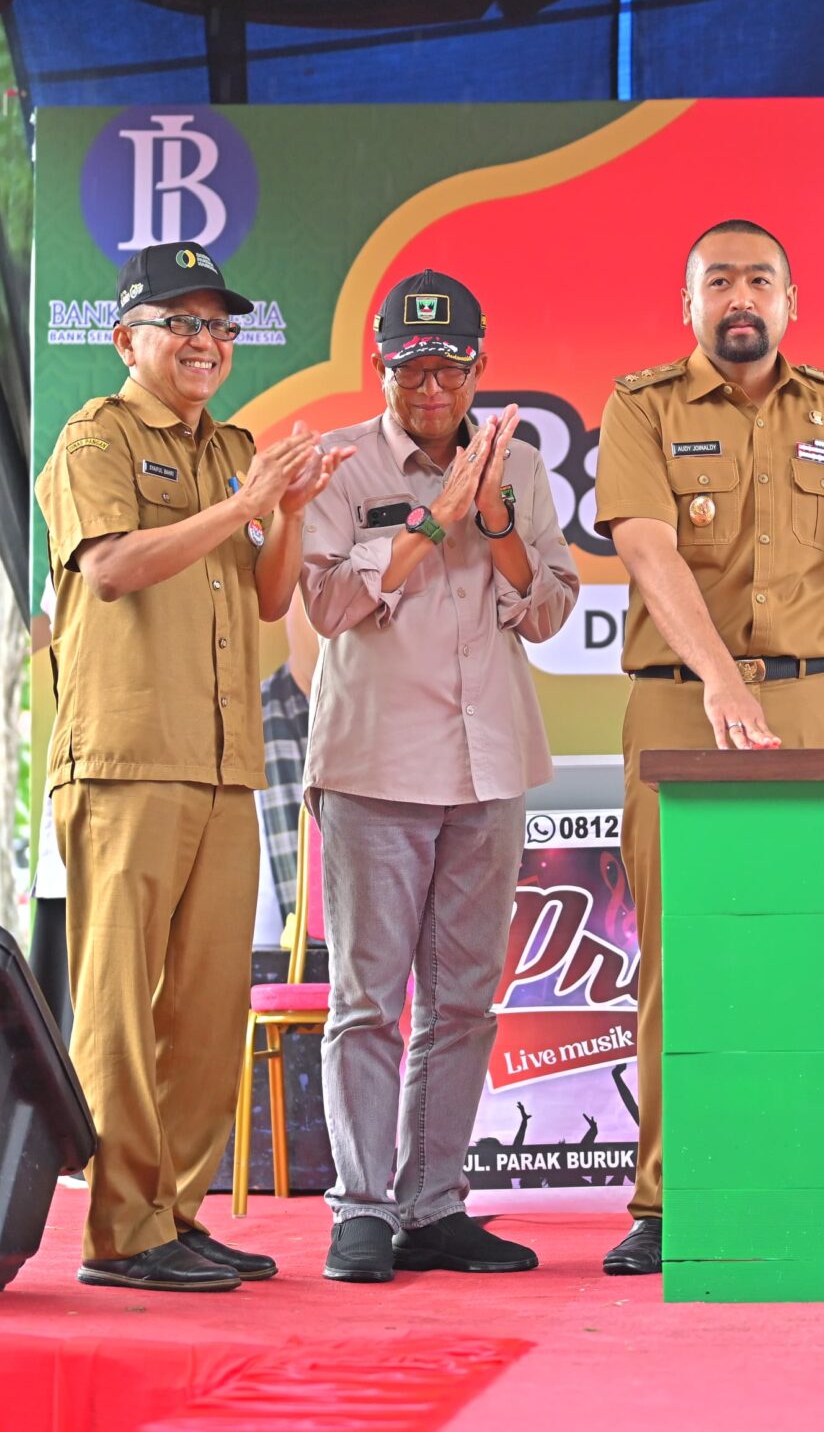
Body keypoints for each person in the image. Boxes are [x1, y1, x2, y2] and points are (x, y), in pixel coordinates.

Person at [35, 240, 348, 1291]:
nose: (205, 341)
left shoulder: (235, 448)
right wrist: (241, 502)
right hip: (125, 756)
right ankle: (119, 1230)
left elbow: (267, 597)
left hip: (222, 761)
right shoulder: (97, 436)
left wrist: (289, 507)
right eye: (182, 323)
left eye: (219, 325)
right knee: (120, 1003)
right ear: (128, 338)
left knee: (211, 1003)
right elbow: (115, 566)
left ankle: (175, 1212)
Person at [593, 219, 824, 1276]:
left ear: (790, 302)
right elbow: (643, 544)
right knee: (683, 960)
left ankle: (810, 1184)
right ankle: (670, 1200)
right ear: (688, 305)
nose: (740, 296)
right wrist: (723, 679)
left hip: (817, 710)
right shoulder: (640, 406)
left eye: (759, 279)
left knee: (811, 959)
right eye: (718, 280)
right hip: (683, 703)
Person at [291, 268, 581, 1283]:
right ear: (382, 369)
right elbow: (325, 607)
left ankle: (435, 1206)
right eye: (409, 368)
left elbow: (546, 612)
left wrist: (493, 521)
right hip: (375, 763)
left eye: (447, 367)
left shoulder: (524, 468)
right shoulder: (340, 467)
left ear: (477, 369)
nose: (429, 387)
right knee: (369, 1000)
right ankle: (363, 1209)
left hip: (488, 762)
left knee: (463, 1001)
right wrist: (426, 525)